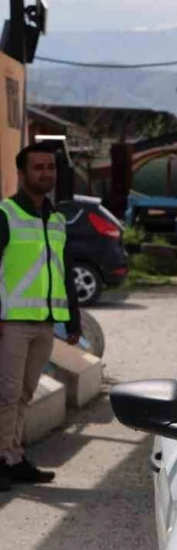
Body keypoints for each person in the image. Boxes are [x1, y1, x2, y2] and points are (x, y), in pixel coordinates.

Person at [0, 142, 82, 491]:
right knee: (5, 395)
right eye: (38, 167)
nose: (46, 173)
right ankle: (4, 459)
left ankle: (13, 457)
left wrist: (73, 321)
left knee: (23, 395)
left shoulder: (57, 220)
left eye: (50, 167)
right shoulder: (5, 214)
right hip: (11, 324)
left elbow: (64, 273)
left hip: (45, 323)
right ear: (21, 174)